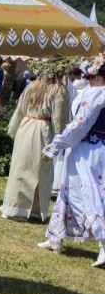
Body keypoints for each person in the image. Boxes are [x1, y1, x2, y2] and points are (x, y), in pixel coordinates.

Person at [39, 59, 105, 266]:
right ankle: (55, 236)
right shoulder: (93, 92)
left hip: (89, 150)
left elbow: (79, 124)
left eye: (87, 73)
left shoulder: (97, 94)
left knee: (92, 194)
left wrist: (54, 146)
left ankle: (104, 247)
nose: (83, 76)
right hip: (91, 148)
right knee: (70, 191)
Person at [0, 71, 68, 222]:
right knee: (39, 170)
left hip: (25, 126)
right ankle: (32, 210)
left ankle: (14, 206)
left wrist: (14, 129)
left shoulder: (32, 85)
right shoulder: (59, 89)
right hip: (42, 129)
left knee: (20, 167)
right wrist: (61, 139)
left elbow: (20, 109)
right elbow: (59, 118)